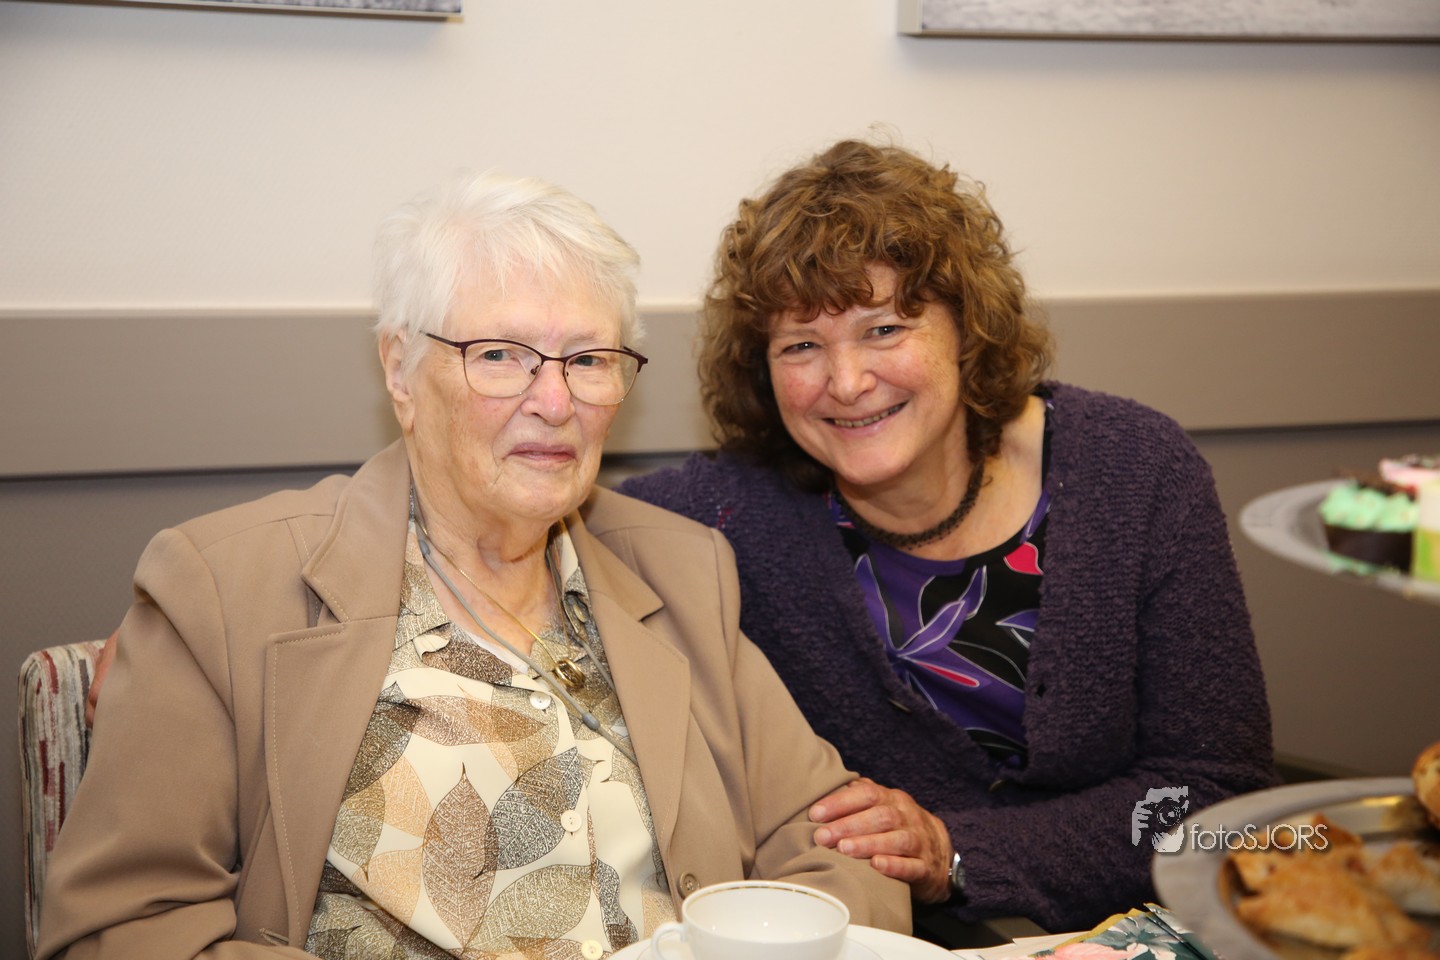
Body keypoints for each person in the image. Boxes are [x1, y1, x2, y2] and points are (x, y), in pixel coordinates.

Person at [39, 171, 909, 960]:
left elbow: (835, 846)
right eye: (499, 356)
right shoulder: (229, 587)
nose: (555, 401)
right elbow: (123, 931)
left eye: (589, 360)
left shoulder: (680, 567)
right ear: (400, 370)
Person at [618, 139, 1277, 932]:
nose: (847, 382)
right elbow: (558, 530)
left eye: (885, 328)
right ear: (763, 369)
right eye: (802, 345)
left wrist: (954, 850)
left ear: (967, 328)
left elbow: (1217, 793)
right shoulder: (724, 514)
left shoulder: (1133, 470)